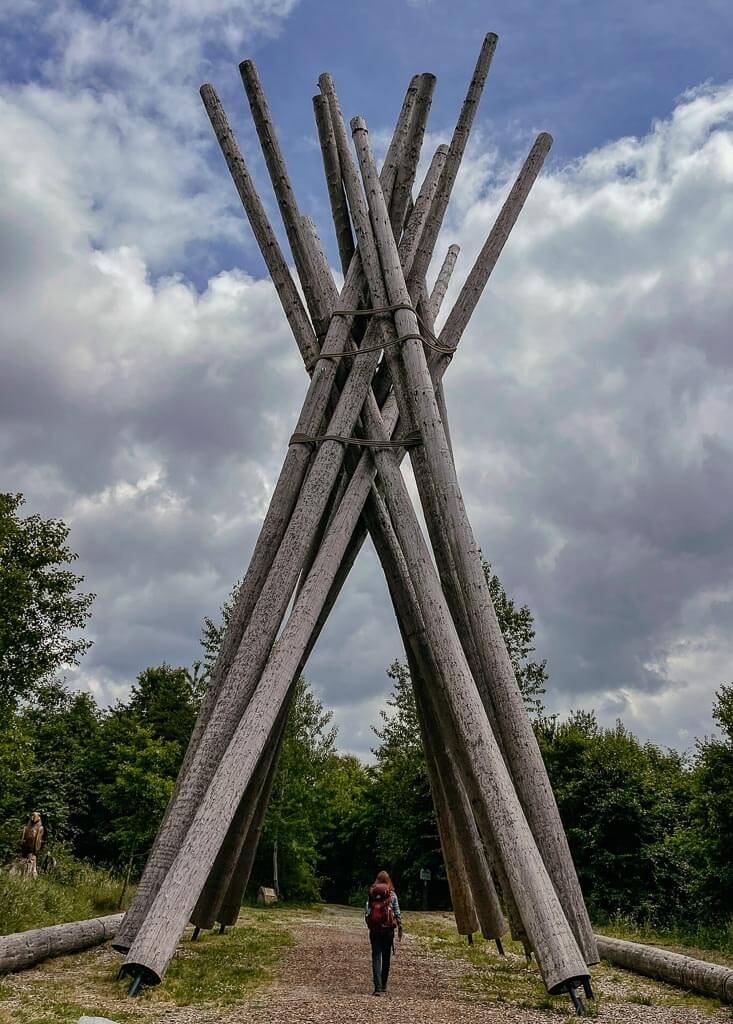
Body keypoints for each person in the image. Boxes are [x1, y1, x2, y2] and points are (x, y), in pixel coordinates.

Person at [365, 870, 403, 996]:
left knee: (376, 956)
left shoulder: (372, 894)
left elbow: (368, 910)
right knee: (386, 957)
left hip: (375, 930)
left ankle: (377, 987)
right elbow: (397, 912)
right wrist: (400, 927)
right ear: (388, 881)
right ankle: (384, 985)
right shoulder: (392, 895)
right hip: (388, 930)